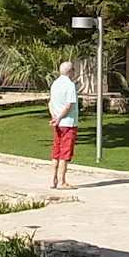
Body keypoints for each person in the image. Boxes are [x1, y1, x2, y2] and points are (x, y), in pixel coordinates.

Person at [49, 61, 80, 190]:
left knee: (56, 151)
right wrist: (60, 118)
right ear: (70, 71)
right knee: (65, 152)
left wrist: (54, 117)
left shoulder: (55, 84)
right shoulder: (70, 85)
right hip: (68, 123)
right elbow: (69, 105)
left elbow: (50, 103)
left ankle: (53, 180)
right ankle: (62, 181)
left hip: (58, 124)